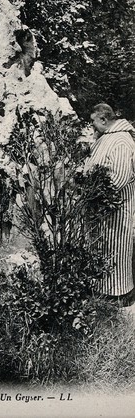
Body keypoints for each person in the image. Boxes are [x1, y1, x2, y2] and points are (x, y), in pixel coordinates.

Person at [85, 103, 135, 304]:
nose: (92, 127)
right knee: (104, 249)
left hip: (116, 209)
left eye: (93, 122)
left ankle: (119, 295)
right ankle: (103, 291)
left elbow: (119, 177)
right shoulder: (108, 137)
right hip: (102, 208)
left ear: (104, 120)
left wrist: (95, 193)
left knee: (116, 250)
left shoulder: (121, 140)